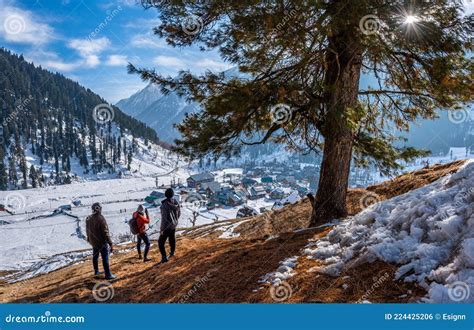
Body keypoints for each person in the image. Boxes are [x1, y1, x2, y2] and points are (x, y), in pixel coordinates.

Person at [86, 202, 116, 280]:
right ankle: (108, 274)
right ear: (98, 209)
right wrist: (110, 243)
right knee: (105, 257)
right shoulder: (101, 218)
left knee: (95, 256)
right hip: (102, 242)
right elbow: (105, 232)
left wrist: (89, 239)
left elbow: (87, 230)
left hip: (93, 242)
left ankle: (96, 271)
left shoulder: (88, 218)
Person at [158, 188, 180, 264]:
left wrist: (161, 229)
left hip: (166, 227)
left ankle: (164, 258)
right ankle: (172, 252)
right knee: (172, 238)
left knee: (160, 242)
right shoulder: (175, 202)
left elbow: (164, 219)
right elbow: (179, 213)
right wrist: (175, 221)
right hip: (173, 225)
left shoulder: (165, 205)